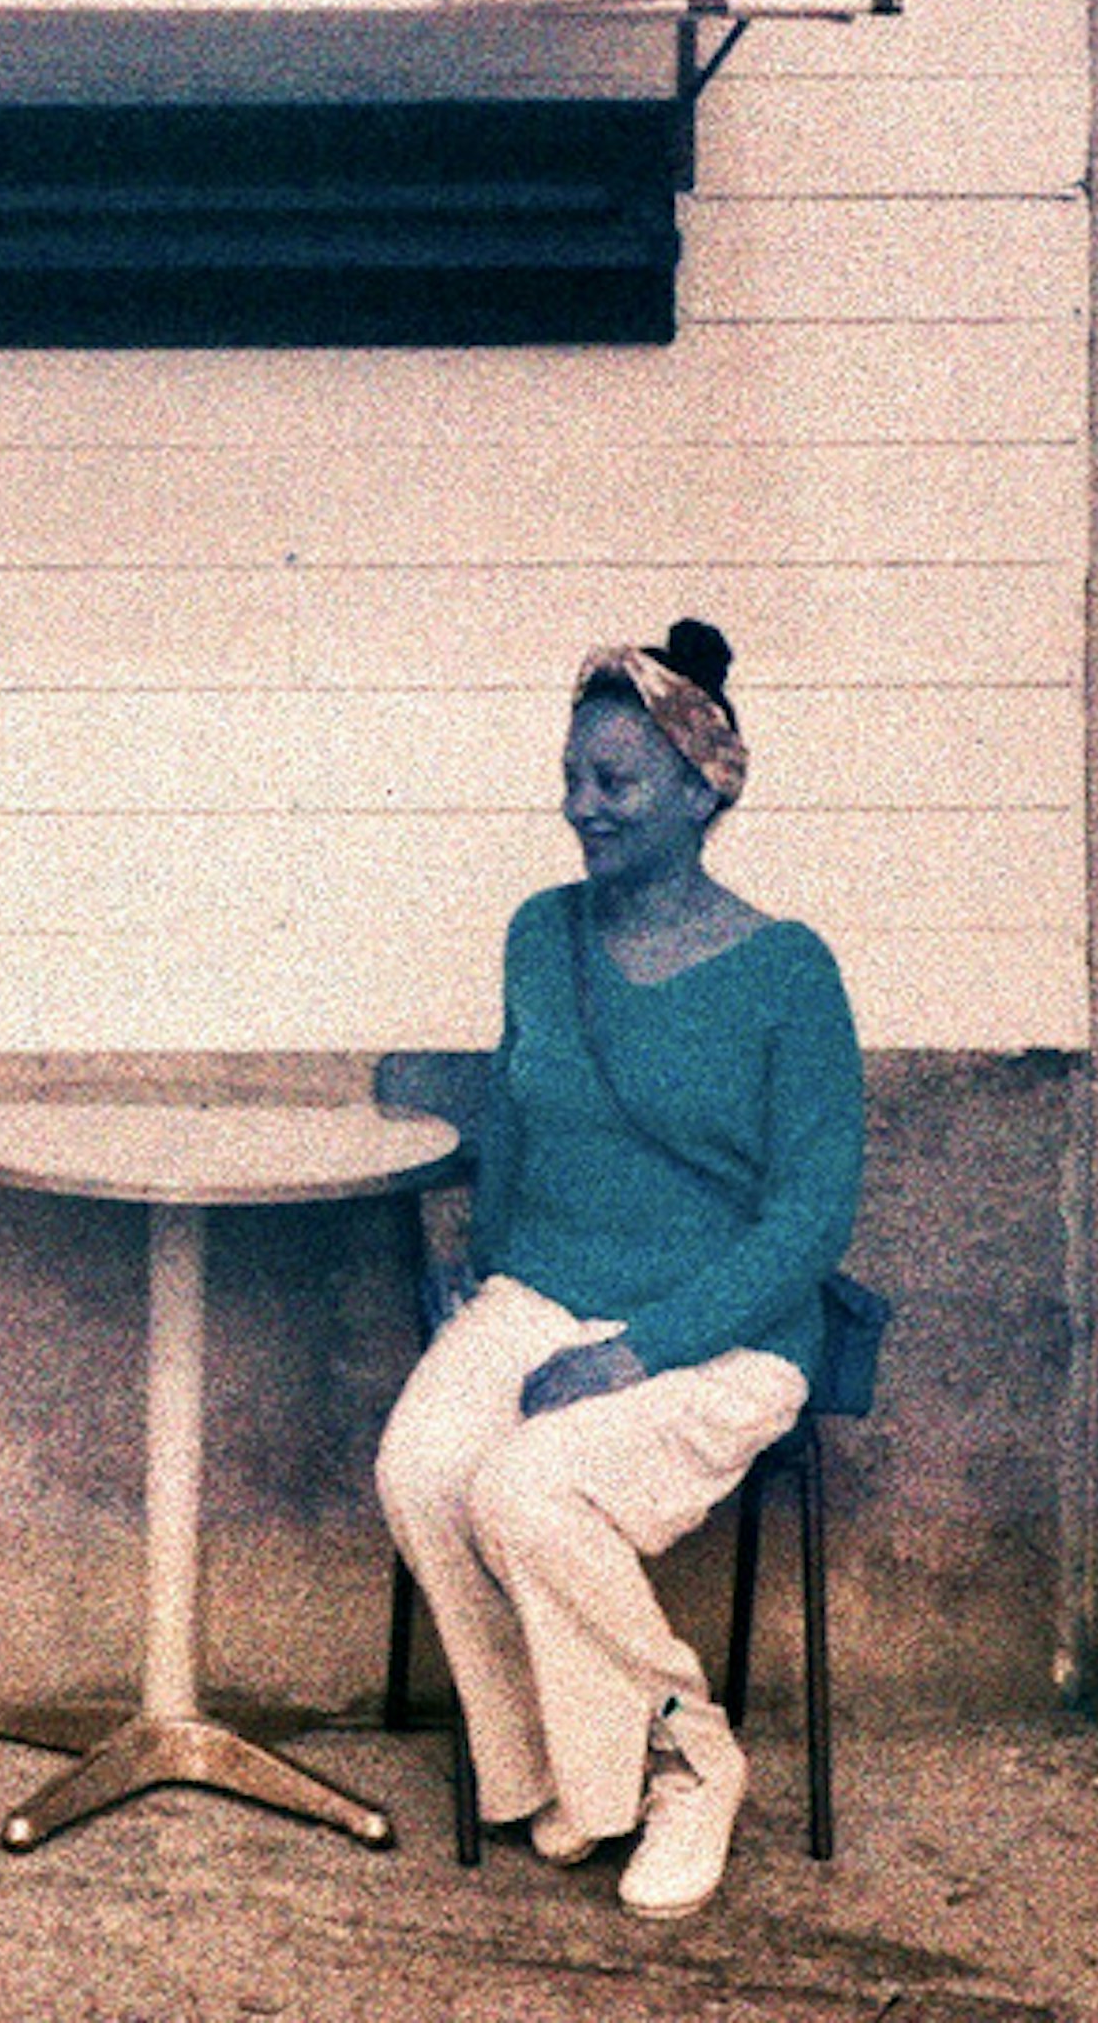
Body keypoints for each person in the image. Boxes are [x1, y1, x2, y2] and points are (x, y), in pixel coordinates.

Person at [373, 622, 863, 1918]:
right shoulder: (543, 934)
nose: (581, 808)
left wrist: (637, 1352)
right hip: (546, 1287)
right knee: (422, 1470)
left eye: (617, 783)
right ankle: (548, 1767)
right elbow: (526, 1122)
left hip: (726, 1325)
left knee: (531, 1496)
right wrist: (480, 1278)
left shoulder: (788, 973)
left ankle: (685, 1754)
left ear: (705, 791)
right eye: (574, 777)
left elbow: (811, 1221)